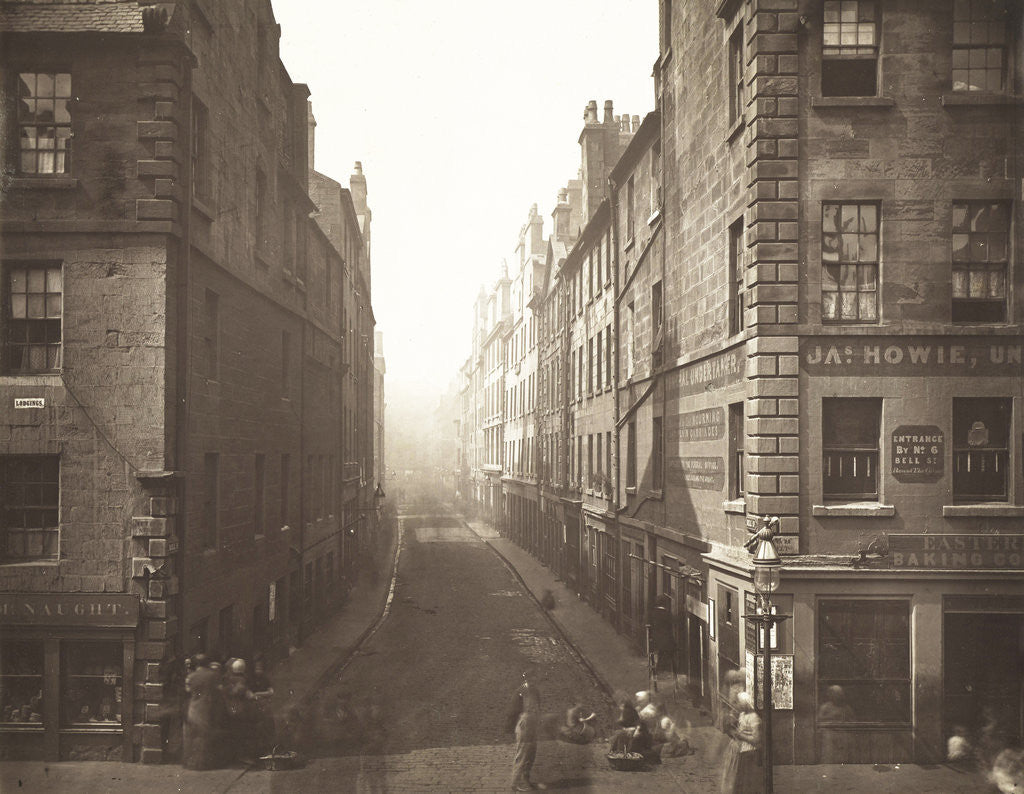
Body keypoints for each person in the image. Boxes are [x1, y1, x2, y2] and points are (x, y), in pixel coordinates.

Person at [182, 654, 226, 770]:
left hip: (194, 707)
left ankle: (191, 763)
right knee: (205, 735)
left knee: (193, 735)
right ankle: (204, 763)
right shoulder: (213, 675)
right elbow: (220, 690)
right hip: (208, 707)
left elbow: (188, 690)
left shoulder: (191, 676)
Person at [507, 671, 545, 791]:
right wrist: (521, 719)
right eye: (530, 678)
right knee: (522, 754)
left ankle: (525, 779)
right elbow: (513, 710)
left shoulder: (535, 690)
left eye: (535, 677)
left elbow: (538, 707)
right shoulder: (521, 691)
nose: (534, 680)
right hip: (525, 724)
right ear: (525, 679)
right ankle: (515, 783)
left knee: (531, 754)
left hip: (533, 724)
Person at [720, 691, 761, 794]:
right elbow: (739, 729)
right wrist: (732, 731)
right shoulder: (742, 714)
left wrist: (740, 735)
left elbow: (756, 740)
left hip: (749, 752)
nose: (737, 705)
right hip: (738, 751)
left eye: (739, 702)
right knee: (736, 779)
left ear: (745, 703)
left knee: (746, 781)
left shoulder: (754, 718)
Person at [817, 684, 854, 762]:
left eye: (839, 694)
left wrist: (845, 721)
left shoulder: (846, 708)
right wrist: (831, 717)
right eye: (835, 694)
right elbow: (819, 720)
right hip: (829, 735)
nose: (837, 696)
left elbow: (852, 721)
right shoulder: (825, 707)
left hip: (843, 735)